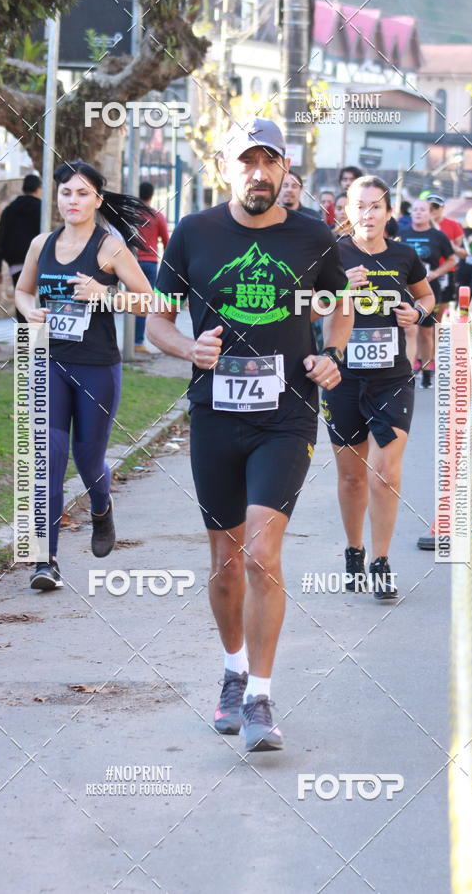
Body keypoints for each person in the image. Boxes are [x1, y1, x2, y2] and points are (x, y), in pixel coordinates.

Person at [147, 118, 353, 752]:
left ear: (284, 170)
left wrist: (332, 354)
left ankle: (261, 696)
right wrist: (190, 348)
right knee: (226, 564)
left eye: (270, 163)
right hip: (214, 415)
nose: (259, 174)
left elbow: (338, 306)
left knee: (263, 554)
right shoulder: (194, 233)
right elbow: (157, 322)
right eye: (247, 163)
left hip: (287, 415)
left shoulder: (312, 237)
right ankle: (233, 671)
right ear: (226, 168)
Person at [15, 160, 154, 591]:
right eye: (65, 193)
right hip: (50, 361)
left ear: (97, 198)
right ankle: (45, 560)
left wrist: (104, 294)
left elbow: (147, 301)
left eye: (81, 193)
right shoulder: (42, 244)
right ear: (56, 198)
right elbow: (22, 289)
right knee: (49, 456)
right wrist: (28, 311)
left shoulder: (109, 247)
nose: (72, 201)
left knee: (88, 459)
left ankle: (100, 506)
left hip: (97, 368)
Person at [321, 176, 435, 599]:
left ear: (389, 212)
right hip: (342, 376)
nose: (367, 214)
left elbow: (427, 297)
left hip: (391, 376)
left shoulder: (405, 255)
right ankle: (354, 550)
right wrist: (338, 291)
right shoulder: (332, 254)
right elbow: (307, 308)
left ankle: (381, 561)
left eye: (375, 206)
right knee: (352, 477)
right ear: (347, 211)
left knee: (385, 473)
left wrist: (416, 313)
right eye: (359, 206)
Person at [400, 198, 455, 388]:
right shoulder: (402, 234)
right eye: (415, 210)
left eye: (422, 210)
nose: (418, 213)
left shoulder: (437, 236)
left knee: (426, 332)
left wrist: (435, 273)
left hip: (428, 290)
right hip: (405, 289)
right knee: (408, 329)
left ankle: (426, 373)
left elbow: (452, 260)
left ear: (430, 213)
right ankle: (406, 372)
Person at [0, 174, 41, 322]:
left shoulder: (9, 210)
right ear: (38, 189)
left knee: (23, 305)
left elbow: (1, 238)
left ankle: (24, 344)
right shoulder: (42, 208)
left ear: (23, 188)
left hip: (16, 263)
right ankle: (38, 344)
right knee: (39, 305)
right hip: (38, 262)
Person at [134, 181, 169, 352]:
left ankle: (130, 339)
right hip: (150, 263)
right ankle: (138, 342)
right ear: (152, 195)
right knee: (144, 302)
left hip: (131, 262)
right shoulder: (157, 216)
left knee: (125, 300)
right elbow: (167, 242)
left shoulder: (130, 215)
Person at [427, 193, 466, 314]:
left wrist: (450, 245)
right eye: (429, 207)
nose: (432, 210)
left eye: (436, 207)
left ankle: (436, 332)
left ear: (442, 208)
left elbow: (463, 253)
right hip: (423, 271)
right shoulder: (418, 224)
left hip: (445, 271)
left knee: (439, 309)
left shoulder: (453, 225)